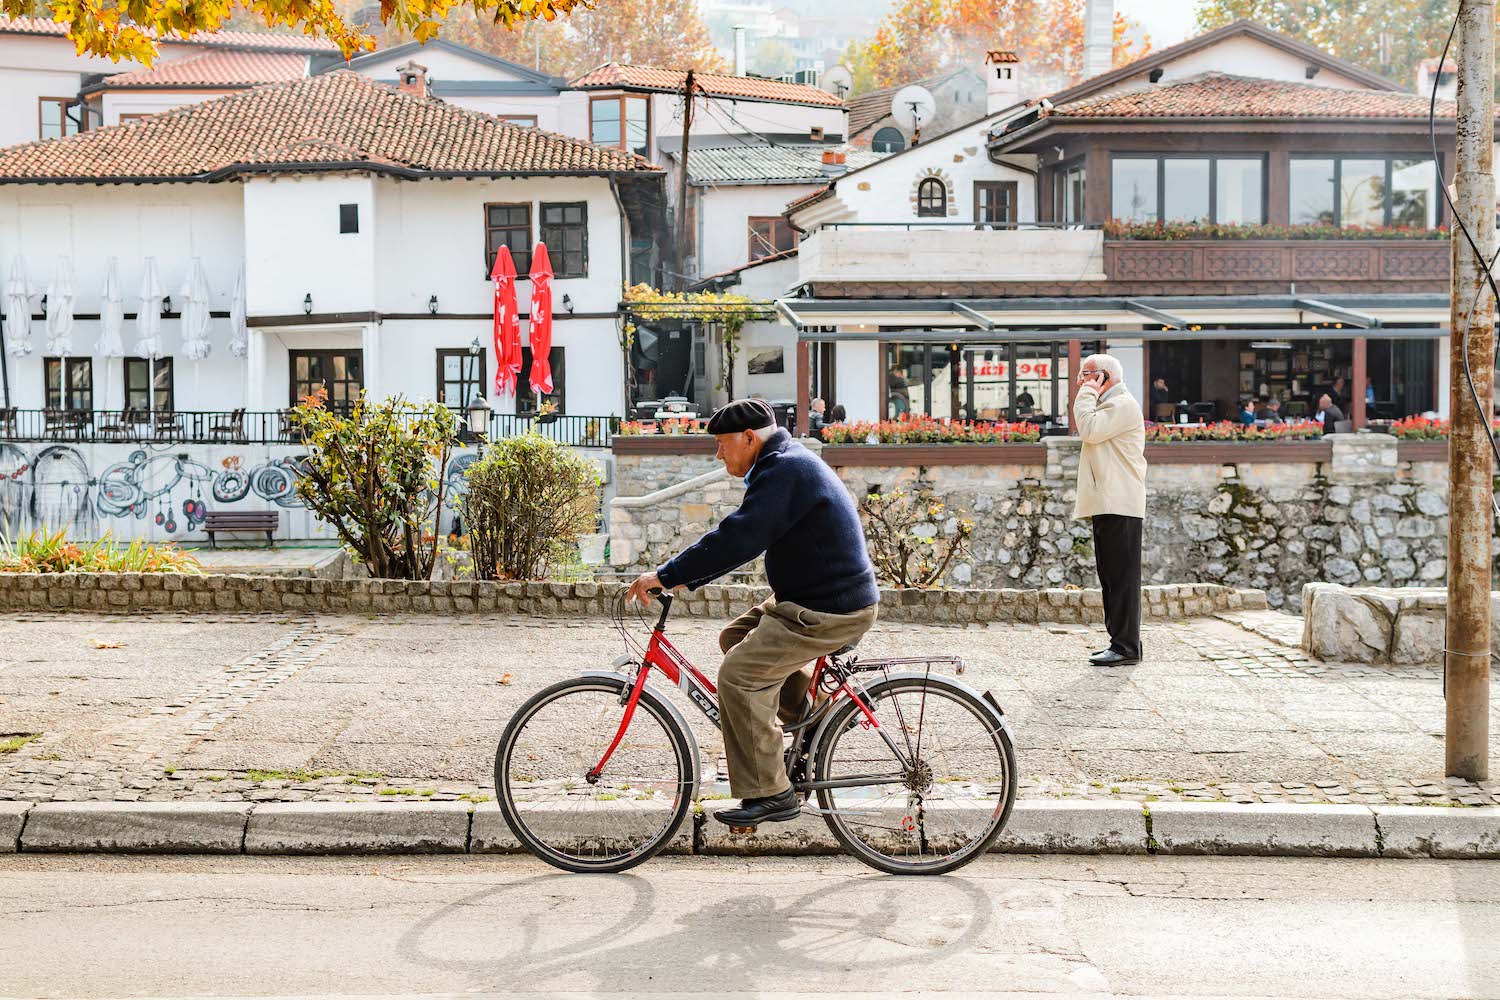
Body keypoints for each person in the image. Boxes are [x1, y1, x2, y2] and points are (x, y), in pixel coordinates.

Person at [627, 398, 880, 827]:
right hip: (809, 599)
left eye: (723, 444)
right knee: (733, 638)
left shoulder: (785, 470)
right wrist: (683, 577)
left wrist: (668, 576)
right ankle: (810, 722)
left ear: (749, 438)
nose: (718, 454)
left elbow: (738, 538)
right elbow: (745, 538)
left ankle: (771, 792)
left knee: (739, 676)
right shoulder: (782, 463)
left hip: (830, 608)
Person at [1073, 354, 1147, 667]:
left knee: (1122, 578)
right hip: (1110, 501)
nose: (1080, 381)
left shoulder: (1122, 405)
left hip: (1121, 502)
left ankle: (1126, 646)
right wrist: (1090, 391)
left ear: (1104, 376)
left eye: (1086, 375)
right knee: (1111, 576)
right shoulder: (1112, 405)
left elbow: (1088, 430)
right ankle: (1121, 642)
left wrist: (1087, 392)